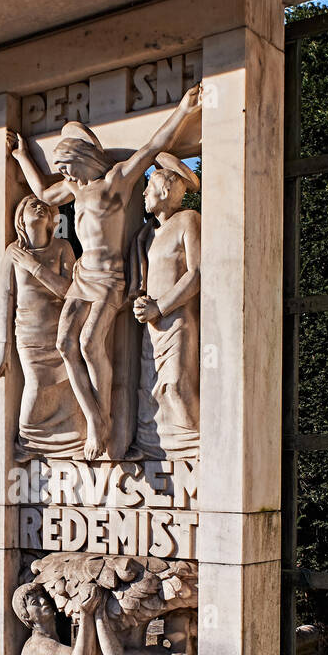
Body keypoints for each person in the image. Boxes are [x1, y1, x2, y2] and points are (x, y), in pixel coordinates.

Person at [7, 83, 202, 460]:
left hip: (109, 280)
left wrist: (183, 110)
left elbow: (149, 148)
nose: (66, 175)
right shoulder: (75, 190)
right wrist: (21, 157)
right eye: (62, 170)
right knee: (65, 345)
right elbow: (43, 194)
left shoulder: (115, 183)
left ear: (82, 158)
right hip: (82, 277)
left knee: (88, 344)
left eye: (68, 167)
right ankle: (94, 419)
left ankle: (102, 423)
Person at [0, 193, 84, 457]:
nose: (40, 209)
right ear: (20, 217)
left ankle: (71, 443)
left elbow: (72, 291)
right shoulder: (13, 252)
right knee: (37, 384)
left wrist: (35, 268)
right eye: (33, 205)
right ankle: (28, 441)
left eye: (44, 206)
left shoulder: (63, 248)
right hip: (29, 333)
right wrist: (2, 347)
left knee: (68, 388)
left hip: (62, 332)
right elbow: (4, 299)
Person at [128, 153, 201, 459]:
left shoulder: (189, 220)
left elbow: (197, 273)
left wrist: (161, 306)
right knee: (149, 391)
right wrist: (142, 303)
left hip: (177, 320)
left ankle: (196, 448)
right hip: (151, 325)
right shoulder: (147, 235)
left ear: (166, 189)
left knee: (176, 386)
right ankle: (150, 449)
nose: (144, 192)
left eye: (149, 186)